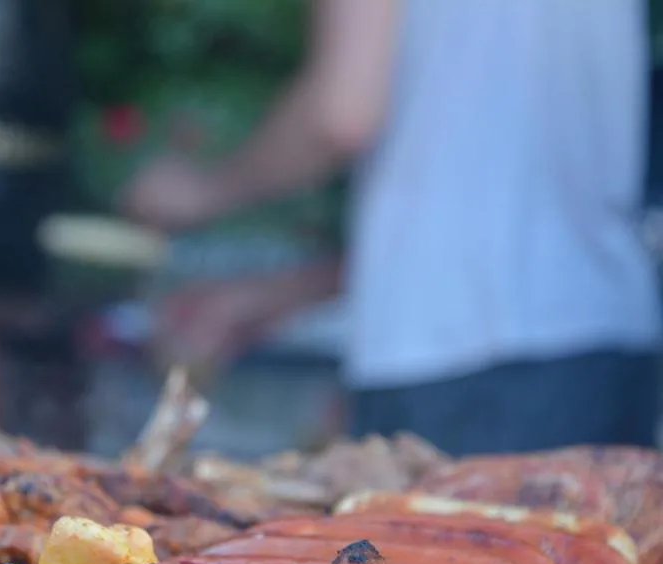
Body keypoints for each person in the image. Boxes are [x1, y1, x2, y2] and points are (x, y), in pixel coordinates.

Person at [120, 0, 662, 454]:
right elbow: (497, 187)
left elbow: (344, 114)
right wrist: (285, 292)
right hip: (609, 342)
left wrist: (200, 192)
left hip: (456, 376)